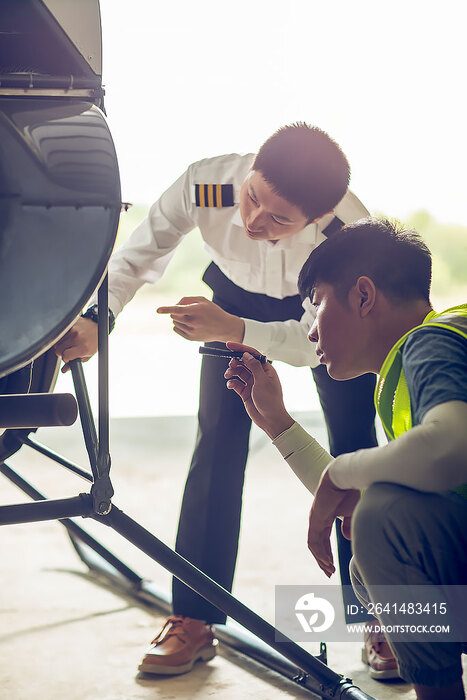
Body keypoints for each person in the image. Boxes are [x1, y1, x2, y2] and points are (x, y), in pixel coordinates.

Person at [54, 123, 380, 676]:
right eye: (254, 198)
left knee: (353, 454)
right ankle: (195, 619)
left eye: (278, 220)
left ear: (318, 219)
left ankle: (381, 620)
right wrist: (99, 316)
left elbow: (310, 342)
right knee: (216, 451)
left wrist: (237, 327)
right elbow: (142, 247)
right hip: (229, 302)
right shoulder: (208, 184)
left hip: (324, 317)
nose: (254, 222)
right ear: (250, 169)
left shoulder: (349, 230)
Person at [224, 217, 467, 700]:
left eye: (316, 307)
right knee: (369, 548)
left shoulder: (431, 344)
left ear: (363, 296)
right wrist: (277, 423)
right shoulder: (415, 363)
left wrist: (342, 471)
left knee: (380, 523)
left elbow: (450, 447)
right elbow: (357, 492)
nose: (311, 332)